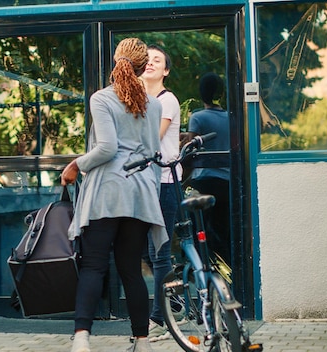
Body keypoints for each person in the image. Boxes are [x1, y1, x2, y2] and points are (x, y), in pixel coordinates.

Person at [61, 37, 167, 352]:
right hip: (140, 193)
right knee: (131, 270)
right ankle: (143, 342)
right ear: (140, 66)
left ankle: (82, 338)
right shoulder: (155, 103)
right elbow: (152, 154)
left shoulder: (102, 98)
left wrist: (76, 165)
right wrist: (151, 191)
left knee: (94, 265)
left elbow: (106, 149)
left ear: (116, 62)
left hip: (107, 192)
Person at [139, 44, 182, 342]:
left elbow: (153, 140)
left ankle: (161, 319)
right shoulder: (140, 99)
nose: (151, 64)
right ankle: (174, 296)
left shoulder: (166, 101)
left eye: (158, 61)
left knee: (159, 252)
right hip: (144, 184)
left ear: (165, 70)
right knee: (145, 252)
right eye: (148, 60)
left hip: (165, 182)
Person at [182, 72, 231, 266]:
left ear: (202, 94)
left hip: (205, 181)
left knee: (197, 227)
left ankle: (201, 266)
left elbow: (190, 150)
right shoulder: (231, 117)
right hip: (226, 183)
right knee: (223, 230)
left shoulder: (198, 117)